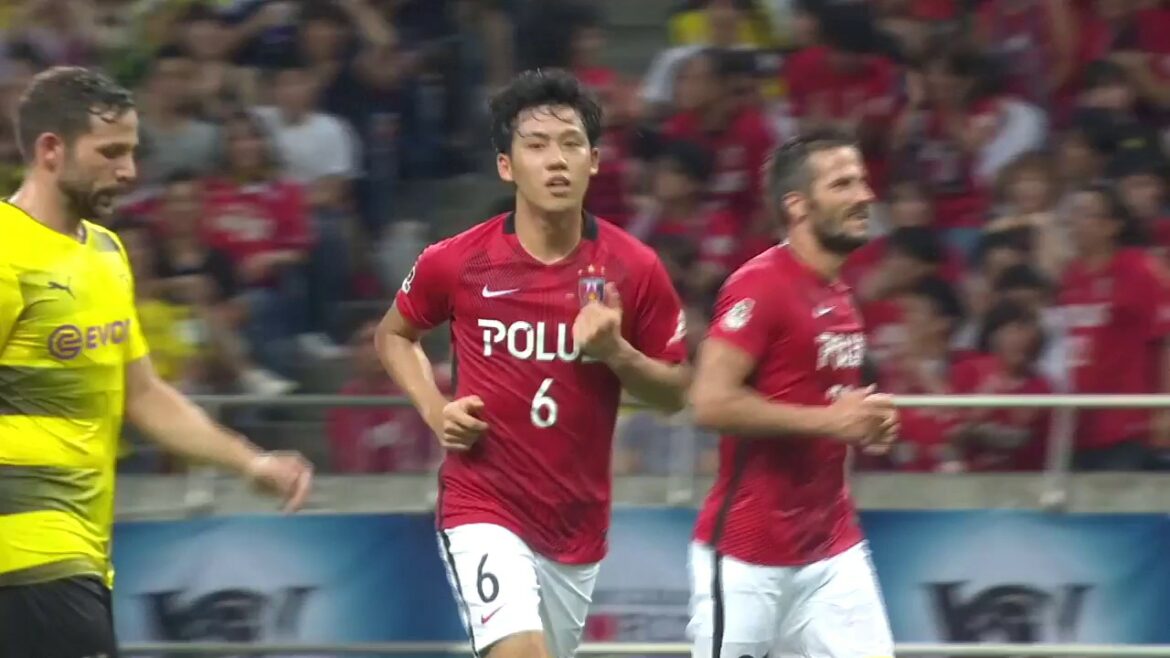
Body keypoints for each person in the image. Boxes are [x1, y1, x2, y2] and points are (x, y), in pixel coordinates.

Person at [0, 66, 313, 658]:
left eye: (133, 151)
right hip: (27, 552)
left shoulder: (107, 252)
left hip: (83, 553)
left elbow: (142, 393)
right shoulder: (6, 253)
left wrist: (251, 462)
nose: (129, 171)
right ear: (50, 150)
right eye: (110, 152)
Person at [376, 69, 690, 658]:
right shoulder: (456, 261)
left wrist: (615, 351)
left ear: (594, 162)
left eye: (571, 144)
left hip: (577, 524)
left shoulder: (635, 268)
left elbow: (676, 394)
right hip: (483, 503)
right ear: (505, 165)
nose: (557, 160)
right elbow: (394, 336)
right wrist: (435, 408)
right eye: (537, 145)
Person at [687, 129, 899, 658]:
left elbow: (825, 409)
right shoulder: (760, 284)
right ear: (798, 206)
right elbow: (709, 402)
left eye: (864, 182)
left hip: (832, 548)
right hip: (746, 555)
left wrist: (866, 424)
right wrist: (832, 423)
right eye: (844, 184)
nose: (864, 195)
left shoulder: (842, 296)